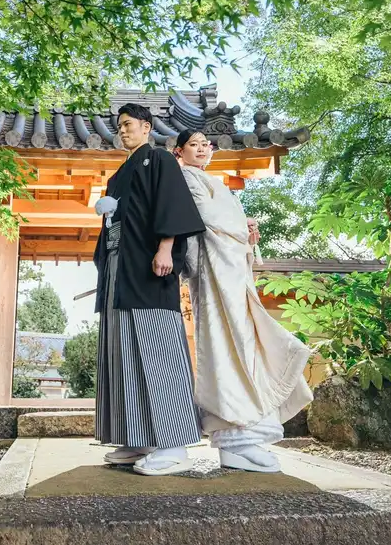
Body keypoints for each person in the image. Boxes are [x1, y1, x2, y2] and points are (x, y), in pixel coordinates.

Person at [174, 129, 313, 473]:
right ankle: (233, 437)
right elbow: (206, 219)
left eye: (206, 143)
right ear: (179, 151)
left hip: (232, 269)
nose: (203, 147)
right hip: (215, 272)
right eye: (194, 144)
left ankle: (249, 434)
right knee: (225, 342)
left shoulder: (212, 180)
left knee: (247, 341)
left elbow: (226, 222)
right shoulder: (185, 179)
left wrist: (245, 233)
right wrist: (241, 224)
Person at [90, 103, 206, 476]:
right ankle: (136, 437)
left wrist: (166, 247)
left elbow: (170, 205)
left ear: (146, 126)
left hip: (150, 267)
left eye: (127, 125)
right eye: (118, 126)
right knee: (121, 350)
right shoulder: (119, 174)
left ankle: (174, 445)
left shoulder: (159, 160)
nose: (122, 131)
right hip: (119, 270)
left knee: (158, 348)